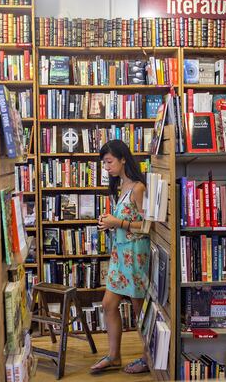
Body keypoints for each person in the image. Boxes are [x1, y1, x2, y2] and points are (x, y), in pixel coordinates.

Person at [90, 140, 150, 375]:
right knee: (108, 304)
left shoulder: (138, 188)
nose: (106, 167)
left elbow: (147, 226)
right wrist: (111, 223)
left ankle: (148, 357)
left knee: (139, 311)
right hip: (120, 255)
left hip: (135, 256)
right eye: (104, 163)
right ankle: (114, 356)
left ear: (123, 159)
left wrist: (119, 223)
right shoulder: (120, 186)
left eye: (109, 161)